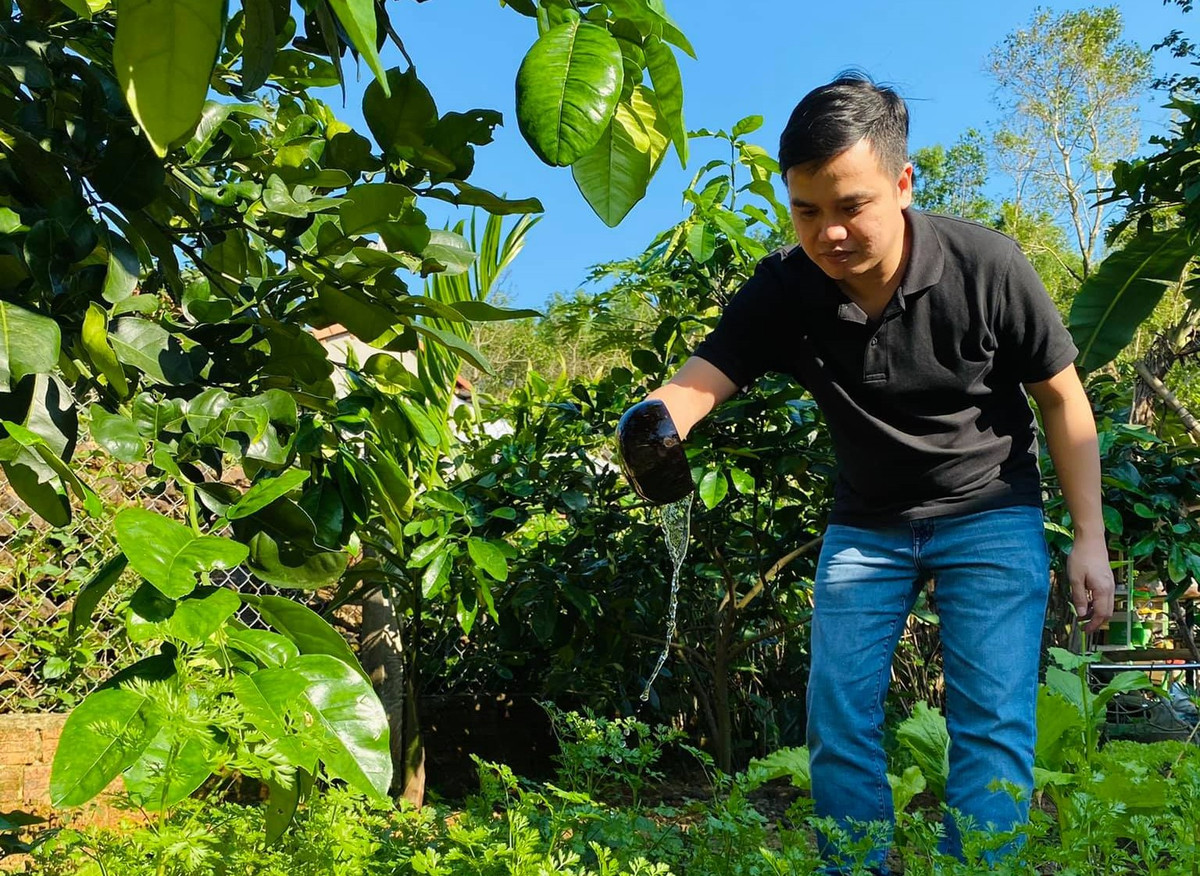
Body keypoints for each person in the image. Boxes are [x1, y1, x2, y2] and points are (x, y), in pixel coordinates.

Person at [631, 72, 1115, 871]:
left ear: (902, 183)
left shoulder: (986, 265)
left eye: (851, 206)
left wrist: (1088, 537)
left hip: (991, 510)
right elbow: (695, 384)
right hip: (867, 526)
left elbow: (1064, 399)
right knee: (837, 715)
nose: (829, 233)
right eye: (806, 211)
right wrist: (651, 427)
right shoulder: (786, 289)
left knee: (992, 722)